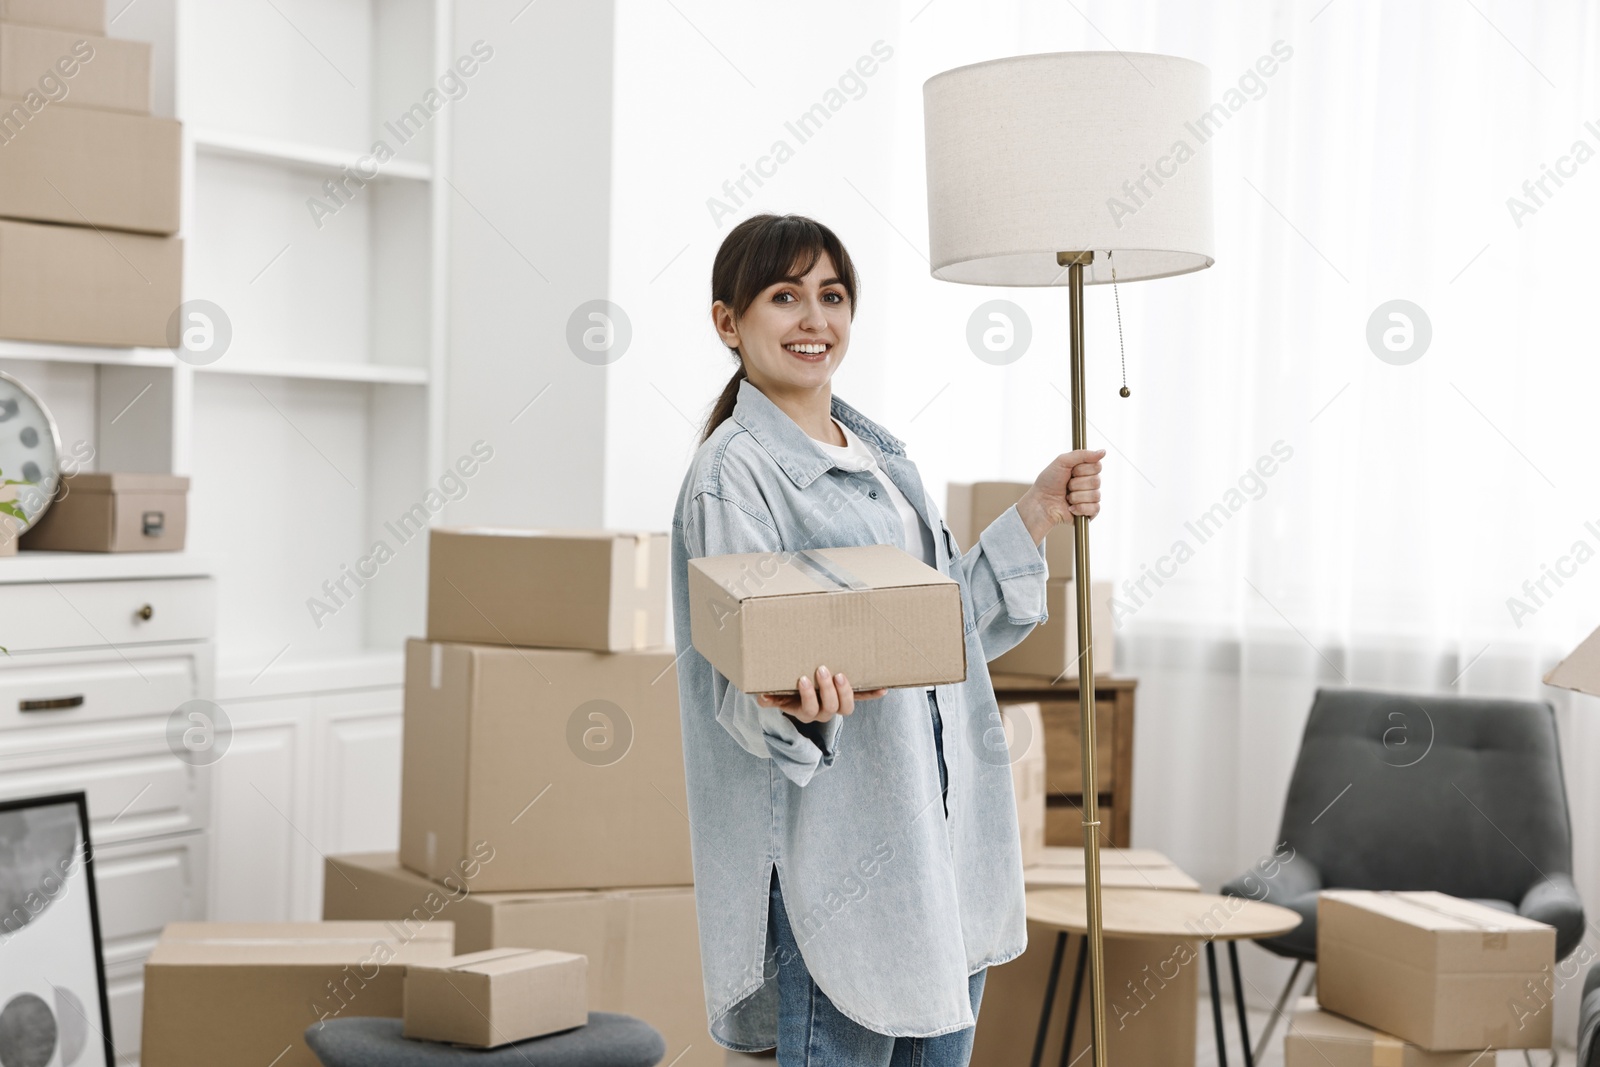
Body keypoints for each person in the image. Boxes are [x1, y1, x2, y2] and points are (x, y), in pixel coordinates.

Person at [669, 212, 1104, 1066]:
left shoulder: (878, 457)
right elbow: (741, 690)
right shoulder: (733, 477)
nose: (814, 319)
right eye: (784, 296)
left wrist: (1039, 512)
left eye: (832, 296)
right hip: (840, 874)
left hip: (933, 859)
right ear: (729, 322)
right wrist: (804, 708)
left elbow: (941, 635)